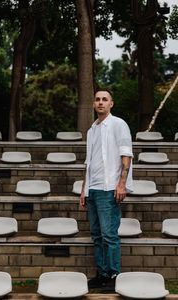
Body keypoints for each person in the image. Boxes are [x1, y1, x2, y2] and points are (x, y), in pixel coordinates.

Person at [80, 88, 133, 291]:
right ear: (94, 104)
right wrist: (84, 190)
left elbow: (126, 154)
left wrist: (121, 184)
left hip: (109, 188)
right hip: (92, 189)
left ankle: (113, 275)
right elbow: (89, 163)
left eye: (105, 99)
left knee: (109, 235)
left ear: (111, 103)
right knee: (96, 235)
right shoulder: (91, 130)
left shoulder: (119, 124)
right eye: (97, 99)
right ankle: (102, 274)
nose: (100, 102)